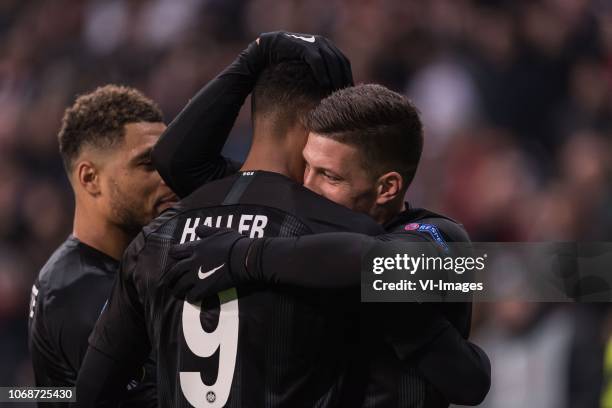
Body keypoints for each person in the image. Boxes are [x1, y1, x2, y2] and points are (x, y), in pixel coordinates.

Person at [74, 34, 387, 407]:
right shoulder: (343, 234)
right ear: (314, 124)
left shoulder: (154, 239)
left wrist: (252, 58)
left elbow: (91, 393)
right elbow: (464, 275)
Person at [159, 83, 490, 406]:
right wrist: (250, 63)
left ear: (387, 188)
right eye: (306, 167)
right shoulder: (295, 220)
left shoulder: (436, 236)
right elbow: (177, 163)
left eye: (330, 177)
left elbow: (377, 260)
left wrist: (243, 257)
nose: (306, 186)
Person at [28, 85, 177, 407]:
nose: (169, 176)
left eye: (168, 160)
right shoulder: (79, 293)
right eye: (148, 164)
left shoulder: (123, 268)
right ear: (90, 178)